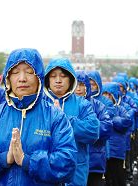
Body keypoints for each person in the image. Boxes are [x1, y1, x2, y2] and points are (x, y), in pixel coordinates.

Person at [0, 48, 77, 185]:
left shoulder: (55, 117)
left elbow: (67, 162)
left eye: (29, 72)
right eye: (15, 72)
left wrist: (27, 161)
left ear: (39, 78)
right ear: (8, 78)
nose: (22, 78)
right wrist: (3, 159)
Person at [43, 58, 100, 186]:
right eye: (53, 76)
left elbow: (93, 131)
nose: (58, 80)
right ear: (47, 80)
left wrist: (63, 120)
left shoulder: (82, 104)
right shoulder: (39, 103)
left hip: (76, 172)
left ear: (71, 79)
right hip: (45, 171)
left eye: (63, 76)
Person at [75, 70, 112, 186]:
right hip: (73, 162)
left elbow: (107, 128)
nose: (78, 89)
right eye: (75, 85)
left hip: (94, 161)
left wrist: (87, 130)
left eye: (82, 85)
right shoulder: (65, 105)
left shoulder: (98, 105)